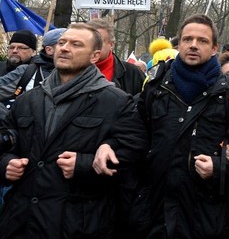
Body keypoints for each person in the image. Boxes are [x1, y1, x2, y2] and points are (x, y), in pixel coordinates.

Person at [95, 14, 229, 238]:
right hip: (154, 213)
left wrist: (219, 167)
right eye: (187, 39)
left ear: (214, 49)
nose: (193, 45)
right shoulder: (155, 87)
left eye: (202, 41)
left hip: (206, 216)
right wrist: (109, 144)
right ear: (179, 43)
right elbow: (134, 134)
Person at [0, 23, 138, 238]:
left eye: (76, 44)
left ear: (94, 56)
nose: (64, 48)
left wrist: (84, 165)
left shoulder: (116, 102)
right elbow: (7, 140)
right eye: (62, 43)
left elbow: (132, 155)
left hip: (77, 224)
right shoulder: (29, 99)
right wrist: (5, 163)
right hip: (21, 222)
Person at [0, 29, 66, 107]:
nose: (14, 51)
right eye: (11, 47)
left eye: (21, 48)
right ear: (49, 50)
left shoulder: (80, 73)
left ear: (33, 52)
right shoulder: (27, 71)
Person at [87, 19, 145, 95]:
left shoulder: (132, 73)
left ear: (111, 44)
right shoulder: (72, 71)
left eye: (98, 41)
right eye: (88, 41)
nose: (92, 45)